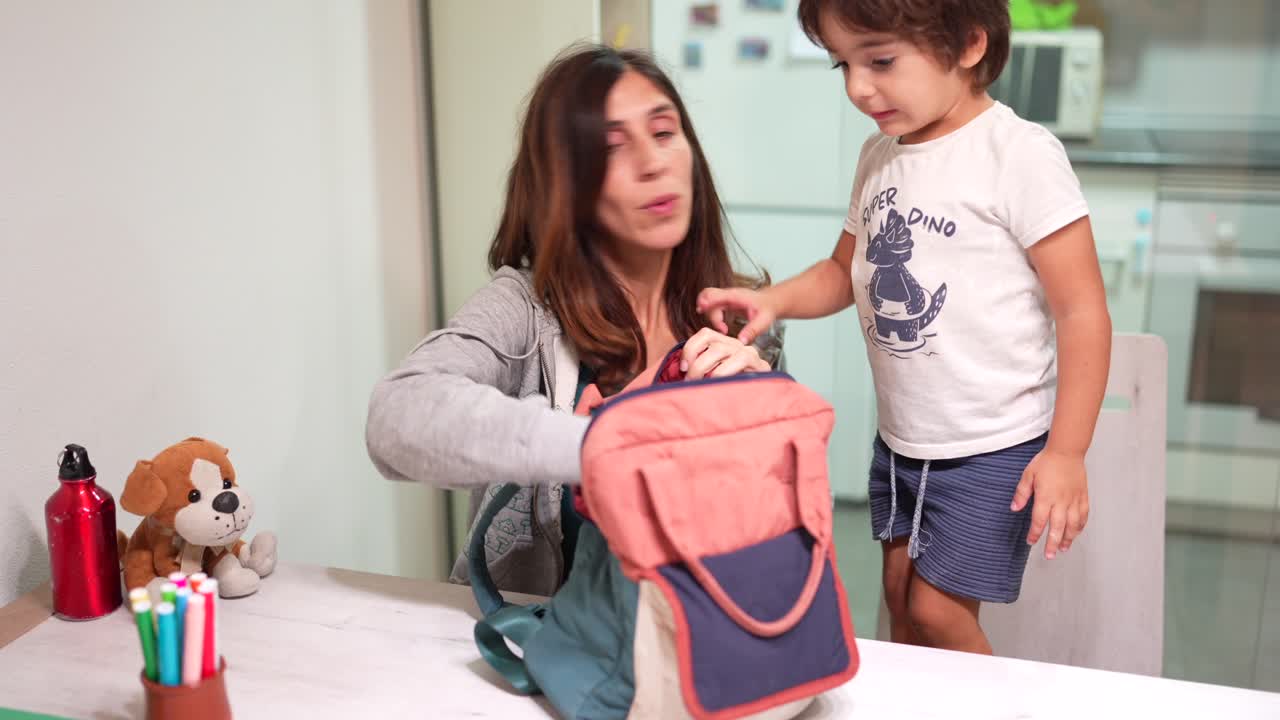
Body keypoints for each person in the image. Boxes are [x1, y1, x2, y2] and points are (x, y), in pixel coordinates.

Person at [696, 0, 1112, 655]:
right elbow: (843, 272)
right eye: (845, 63)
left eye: (881, 60)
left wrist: (1066, 453)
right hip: (904, 441)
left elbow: (1082, 309)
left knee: (938, 612)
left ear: (970, 43)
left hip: (992, 446)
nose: (858, 86)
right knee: (897, 598)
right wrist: (772, 301)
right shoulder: (878, 156)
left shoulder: (1020, 155)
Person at [365, 44, 781, 597]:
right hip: (540, 653)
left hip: (692, 649)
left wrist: (762, 414)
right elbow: (396, 418)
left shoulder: (745, 316)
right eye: (611, 148)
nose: (653, 163)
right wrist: (594, 446)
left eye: (663, 133)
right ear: (567, 185)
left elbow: (768, 531)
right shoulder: (525, 310)